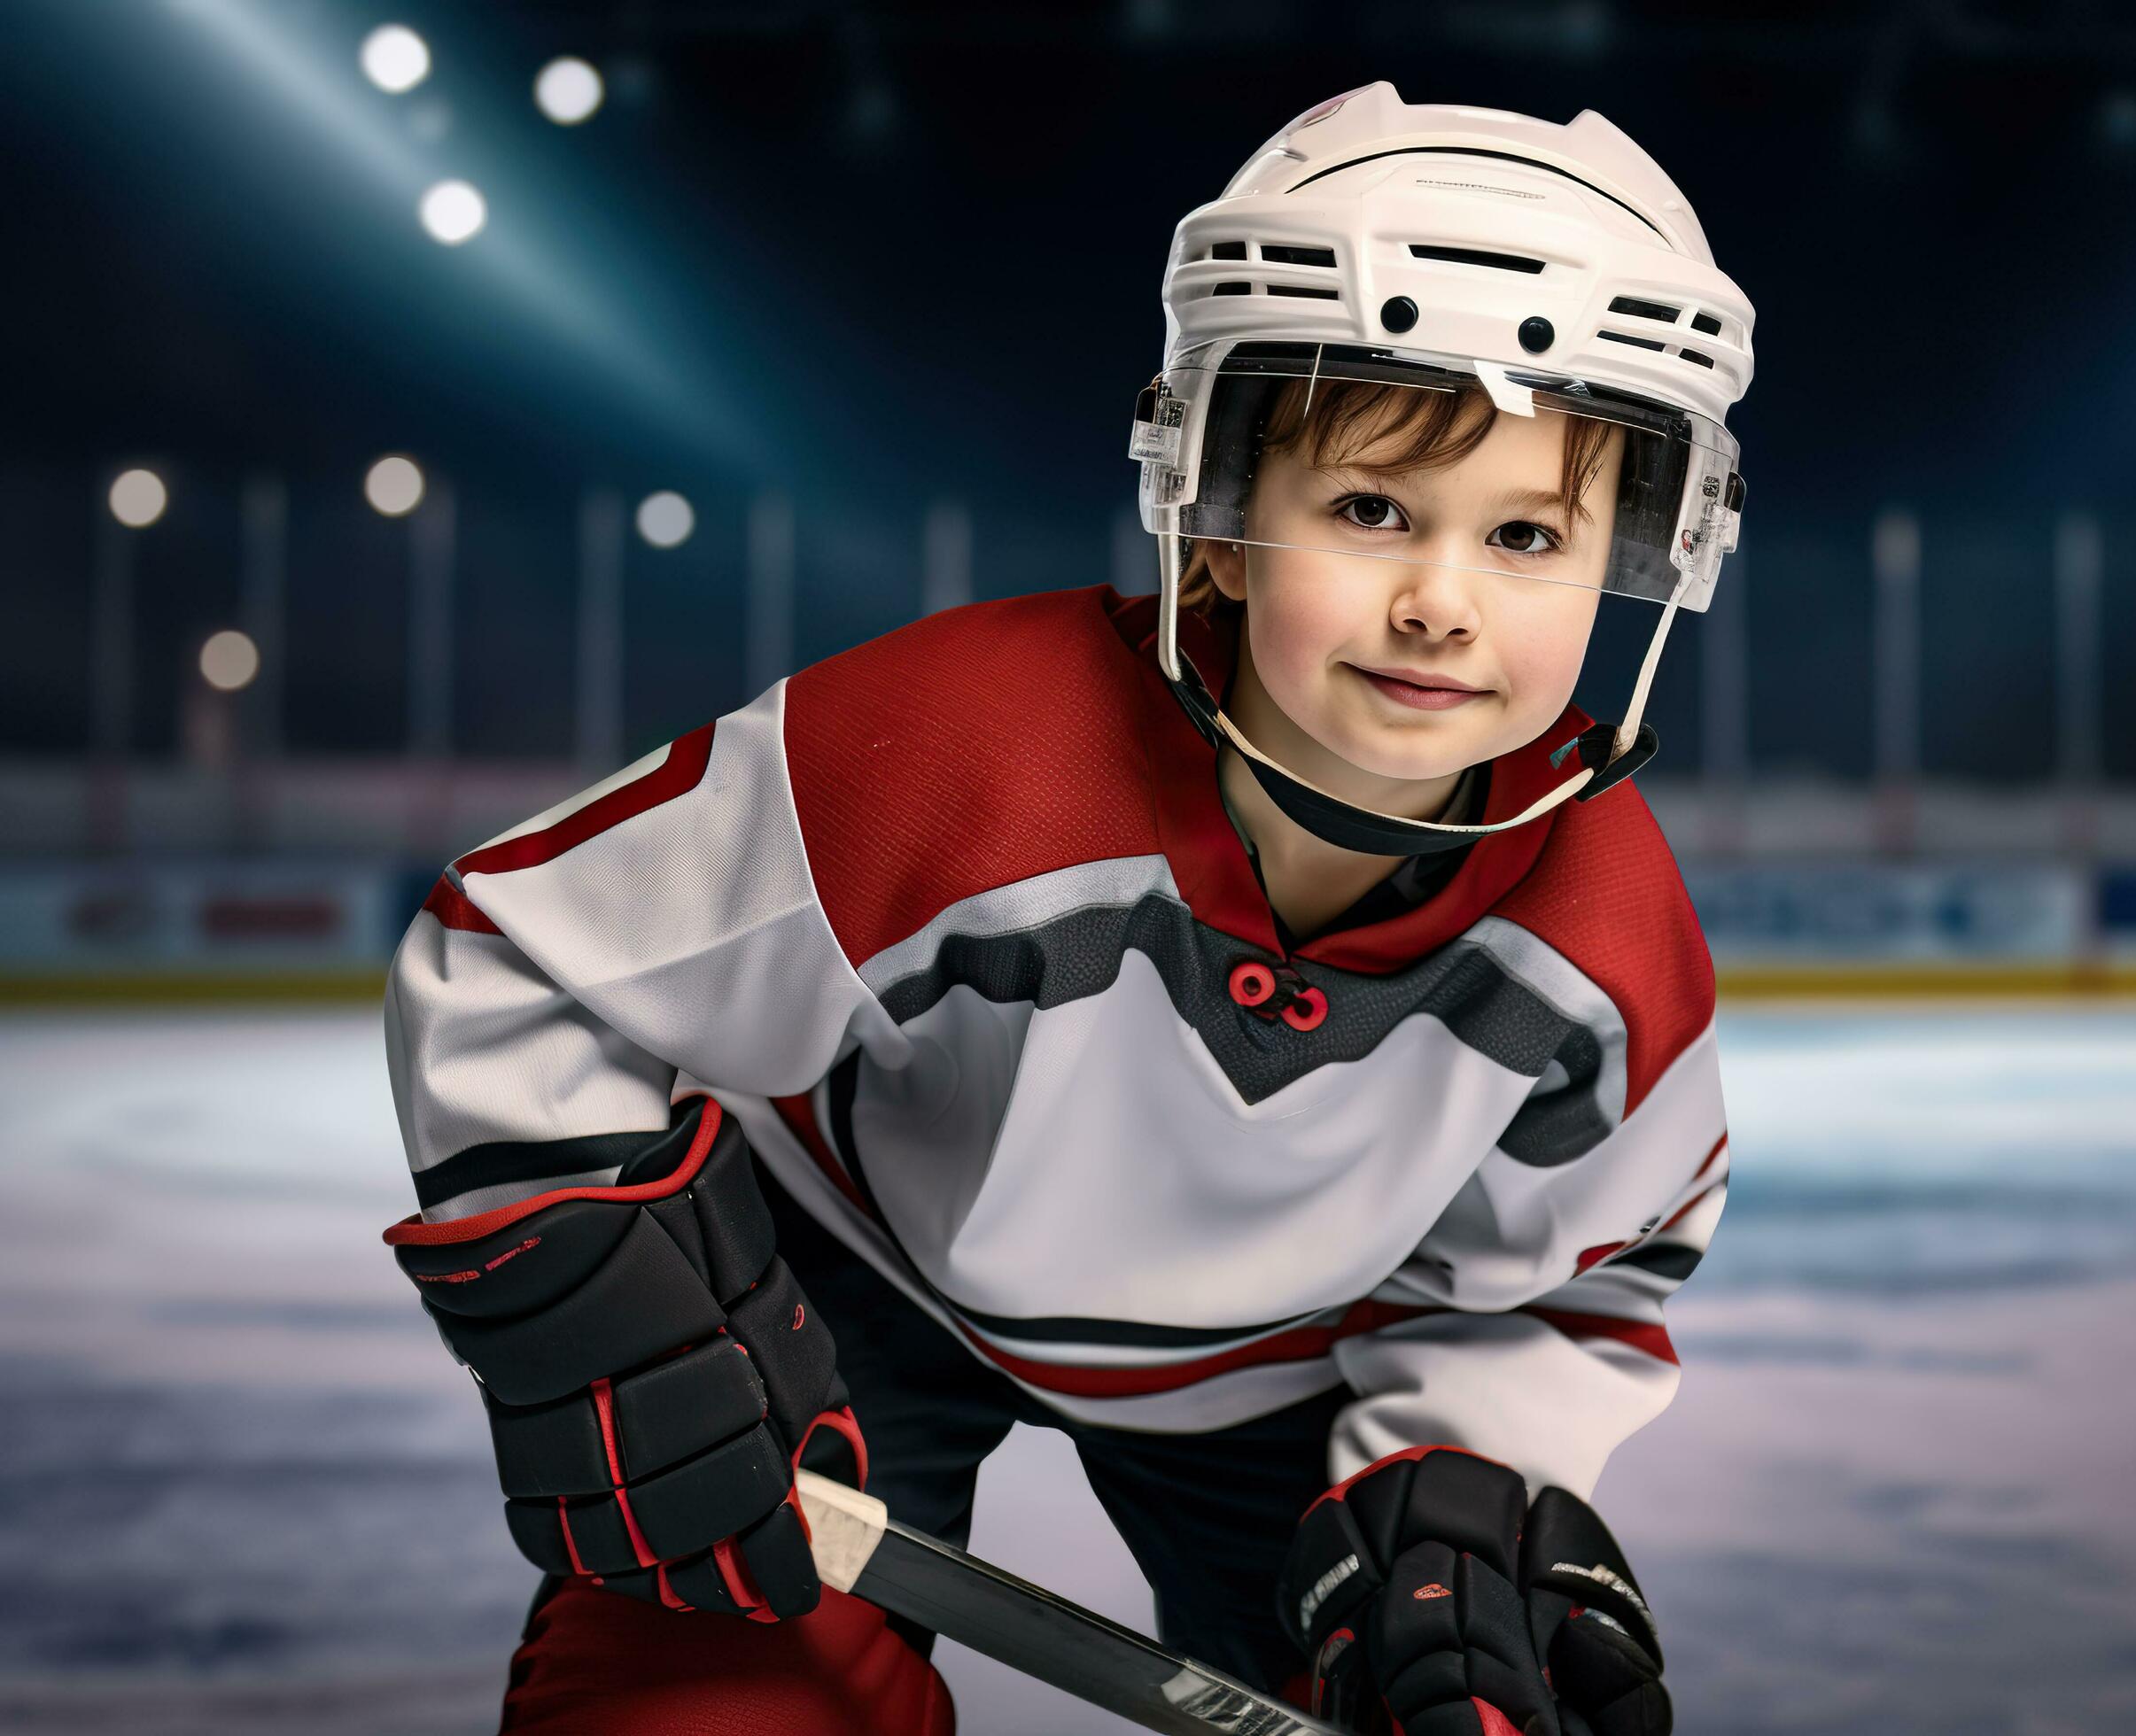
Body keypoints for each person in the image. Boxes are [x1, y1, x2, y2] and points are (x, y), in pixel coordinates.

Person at [381, 80, 1753, 1736]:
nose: (1440, 603)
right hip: (848, 1285)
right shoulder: (960, 751)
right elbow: (518, 948)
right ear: (1223, 515)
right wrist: (596, 1299)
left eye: (1529, 534)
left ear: (1644, 560)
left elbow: (1576, 1273)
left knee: (1448, 1686)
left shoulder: (1601, 922)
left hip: (1288, 1382)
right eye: (1371, 509)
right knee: (700, 1708)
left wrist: (1466, 1467)